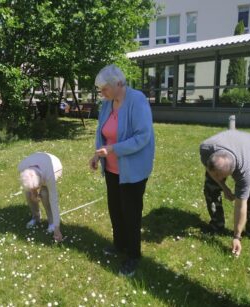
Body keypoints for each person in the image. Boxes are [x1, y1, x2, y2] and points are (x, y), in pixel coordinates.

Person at [89, 64, 155, 277]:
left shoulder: (137, 100)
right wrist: (97, 155)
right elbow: (103, 133)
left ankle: (133, 255)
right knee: (115, 209)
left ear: (118, 84)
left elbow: (142, 136)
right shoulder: (107, 103)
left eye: (104, 88)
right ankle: (119, 245)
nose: (102, 93)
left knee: (131, 214)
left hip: (133, 170)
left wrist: (113, 149)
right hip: (112, 169)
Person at [200, 129, 250, 257]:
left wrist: (236, 236)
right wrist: (224, 187)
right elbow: (212, 172)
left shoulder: (244, 172)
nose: (219, 178)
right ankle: (217, 224)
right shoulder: (206, 149)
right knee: (210, 187)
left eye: (222, 177)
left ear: (232, 173)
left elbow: (241, 205)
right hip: (228, 147)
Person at [18, 152, 63, 242]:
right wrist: (32, 192)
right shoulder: (22, 167)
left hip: (54, 166)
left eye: (36, 186)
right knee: (28, 194)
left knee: (45, 194)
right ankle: (36, 217)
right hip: (39, 163)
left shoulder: (50, 174)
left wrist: (57, 228)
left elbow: (54, 200)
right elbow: (29, 183)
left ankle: (51, 222)